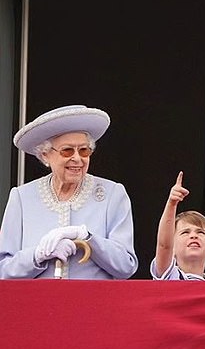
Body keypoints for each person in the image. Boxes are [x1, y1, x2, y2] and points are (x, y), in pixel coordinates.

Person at [0, 105, 138, 279]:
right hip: (37, 303)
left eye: (84, 150)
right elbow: (3, 270)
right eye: (67, 151)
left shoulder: (112, 194)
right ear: (45, 155)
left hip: (93, 303)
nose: (77, 158)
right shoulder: (21, 197)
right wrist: (37, 255)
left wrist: (86, 237)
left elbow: (126, 266)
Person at [151, 171, 205, 280]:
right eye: (185, 232)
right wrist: (171, 204)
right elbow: (164, 246)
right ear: (173, 248)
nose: (194, 236)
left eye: (200, 232)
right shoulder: (169, 277)